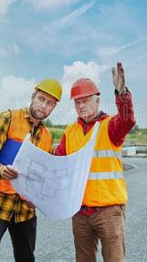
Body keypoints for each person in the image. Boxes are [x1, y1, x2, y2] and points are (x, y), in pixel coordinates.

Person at [0, 79, 62, 262]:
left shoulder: (47, 137)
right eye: (41, 99)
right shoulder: (8, 118)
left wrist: (41, 197)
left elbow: (43, 176)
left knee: (26, 257)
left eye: (50, 103)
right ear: (33, 96)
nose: (44, 106)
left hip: (25, 210)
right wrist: (2, 170)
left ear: (54, 108)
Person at [54, 62, 136, 262]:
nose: (81, 106)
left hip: (108, 210)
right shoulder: (70, 132)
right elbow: (57, 164)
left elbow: (127, 120)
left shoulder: (110, 127)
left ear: (97, 101)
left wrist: (122, 92)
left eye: (85, 101)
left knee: (114, 259)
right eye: (77, 102)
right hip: (80, 212)